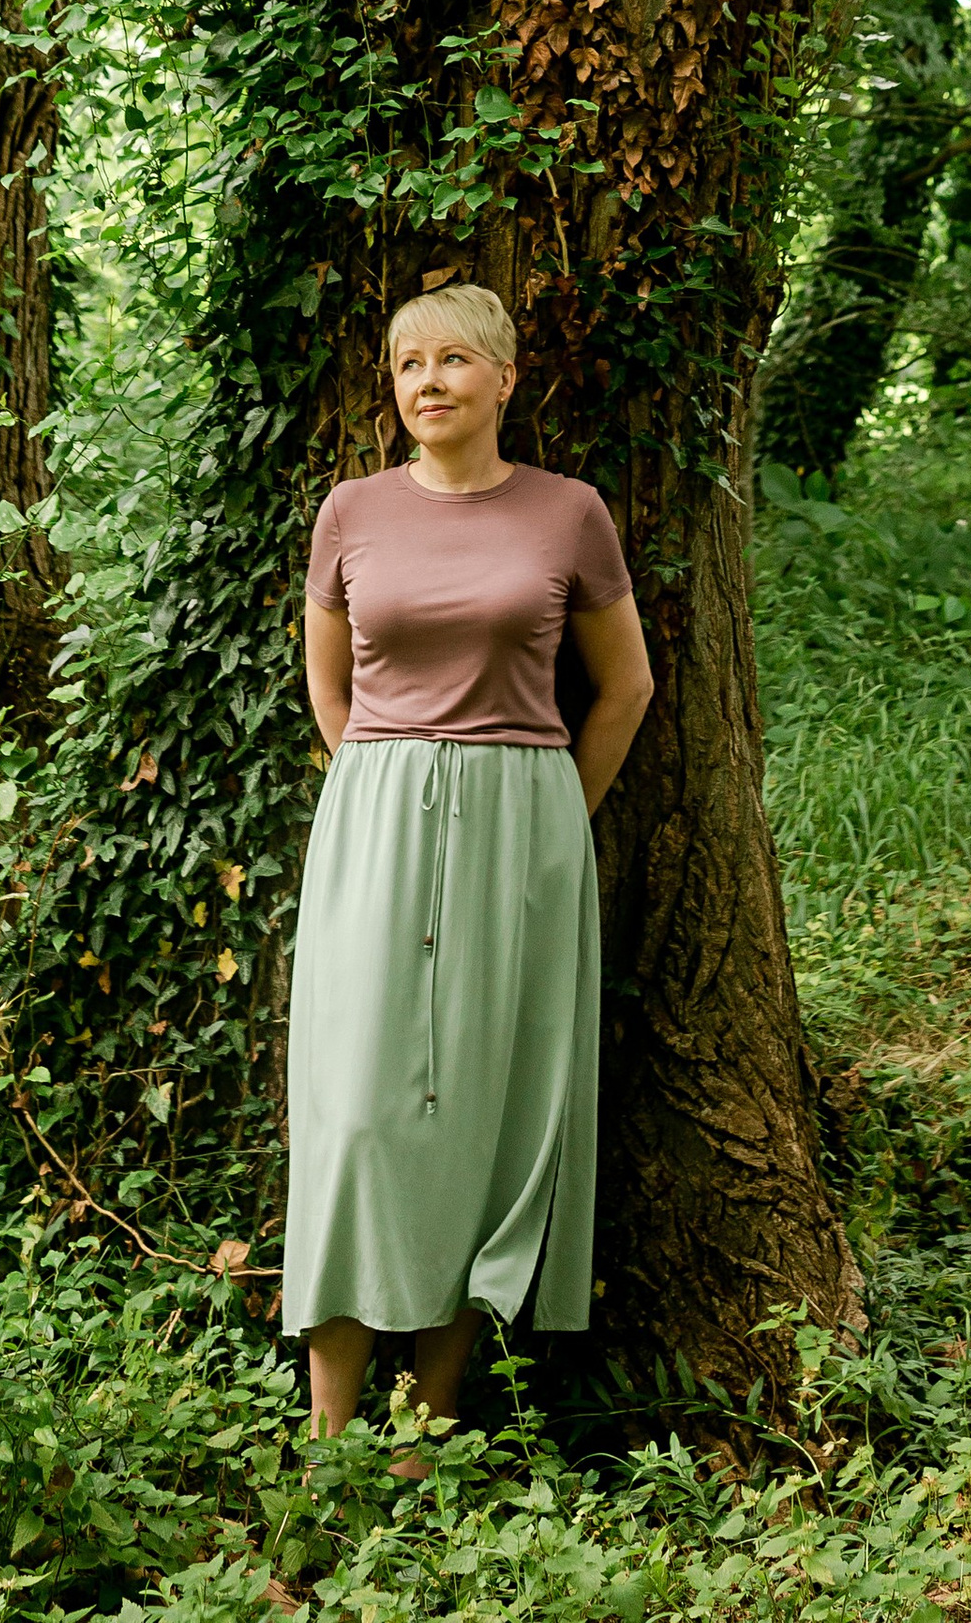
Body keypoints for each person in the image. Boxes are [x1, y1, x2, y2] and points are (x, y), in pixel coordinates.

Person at [281, 280, 655, 1452]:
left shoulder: (569, 514)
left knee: (477, 1122)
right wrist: (387, 792)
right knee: (354, 1118)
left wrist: (548, 816)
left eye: (452, 360)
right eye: (406, 365)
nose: (427, 382)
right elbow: (328, 685)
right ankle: (329, 1444)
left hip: (521, 828)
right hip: (376, 819)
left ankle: (430, 1431)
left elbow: (626, 686)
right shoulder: (350, 512)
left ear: (503, 378)